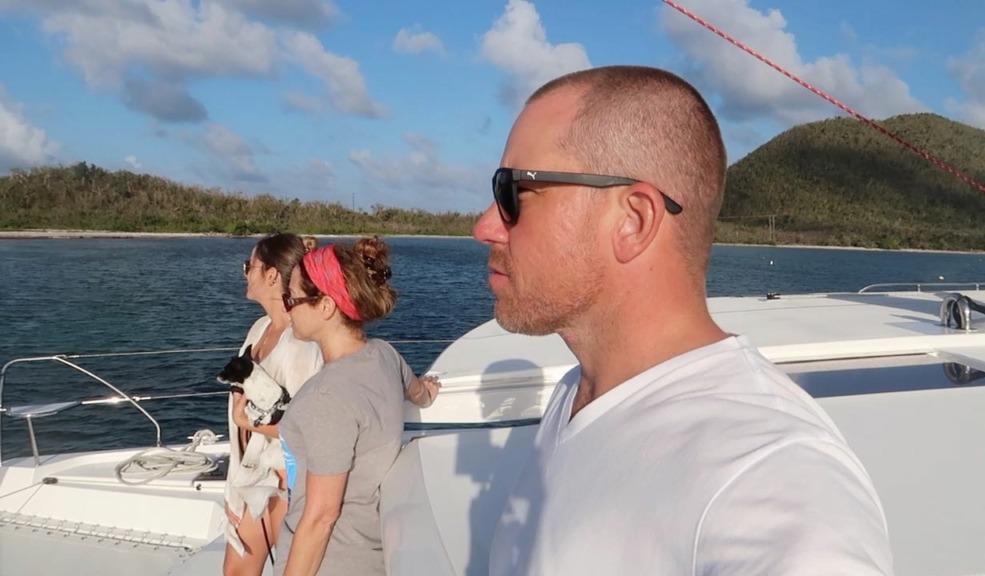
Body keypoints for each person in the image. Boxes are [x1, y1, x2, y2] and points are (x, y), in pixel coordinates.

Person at [474, 66, 894, 575]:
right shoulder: (579, 391)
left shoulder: (765, 471)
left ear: (634, 220)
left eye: (514, 192)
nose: (486, 227)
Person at [275, 237, 441, 576]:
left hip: (328, 562)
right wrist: (430, 388)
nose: (286, 308)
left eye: (291, 298)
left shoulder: (325, 397)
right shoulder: (384, 355)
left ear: (326, 306)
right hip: (368, 551)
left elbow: (321, 518)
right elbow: (420, 393)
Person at [225, 233, 324, 576]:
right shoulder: (260, 329)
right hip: (252, 475)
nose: (245, 274)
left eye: (248, 266)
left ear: (270, 276)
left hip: (284, 482)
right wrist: (233, 486)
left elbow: (304, 428)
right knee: (235, 571)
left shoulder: (301, 345)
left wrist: (246, 421)